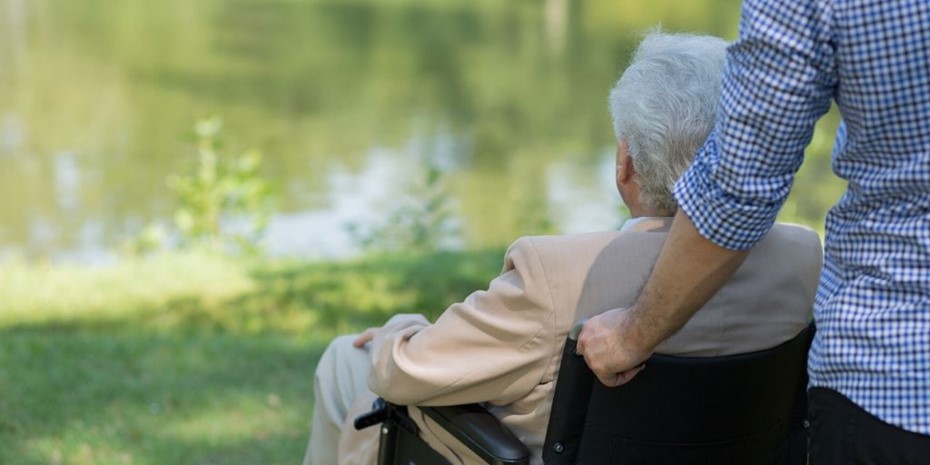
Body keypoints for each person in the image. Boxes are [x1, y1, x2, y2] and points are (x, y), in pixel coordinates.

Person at [303, 31, 822, 465]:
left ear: (626, 164)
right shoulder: (801, 258)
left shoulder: (555, 274)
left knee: (344, 361)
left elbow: (404, 372)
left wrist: (399, 330)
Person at [577, 0, 930, 463]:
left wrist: (630, 336)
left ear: (625, 164)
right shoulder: (802, 253)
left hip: (894, 375)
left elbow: (741, 185)